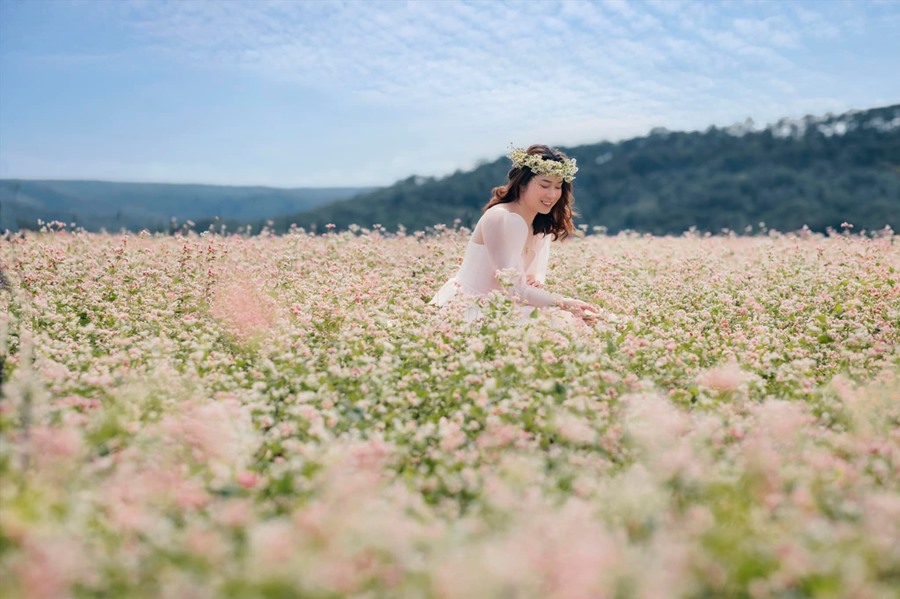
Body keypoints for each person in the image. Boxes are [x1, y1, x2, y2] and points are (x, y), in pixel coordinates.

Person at [431, 144, 600, 322]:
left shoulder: (539, 226)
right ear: (522, 184)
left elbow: (528, 282)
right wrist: (564, 303)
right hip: (472, 309)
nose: (552, 195)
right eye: (545, 185)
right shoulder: (502, 217)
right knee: (570, 321)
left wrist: (533, 283)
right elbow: (513, 287)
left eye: (558, 187)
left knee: (591, 318)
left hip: (506, 305)